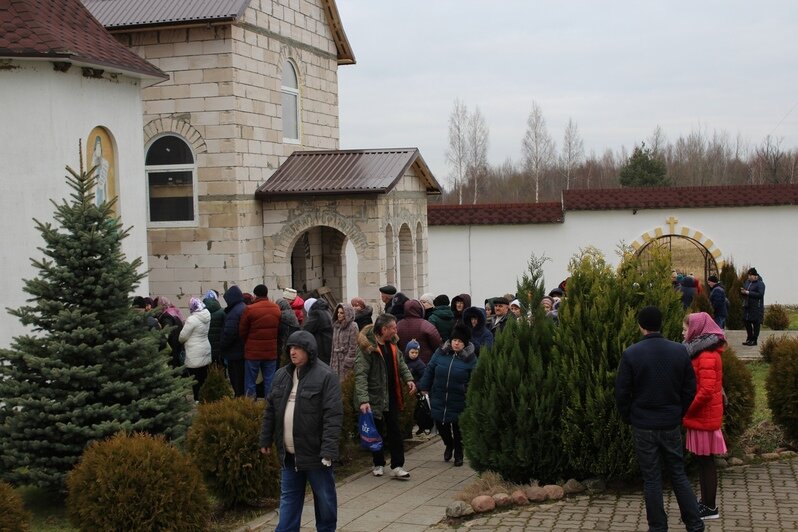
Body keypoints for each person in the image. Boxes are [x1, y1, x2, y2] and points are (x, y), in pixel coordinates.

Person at [615, 306, 704, 532]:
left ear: (641, 326)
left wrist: (630, 416)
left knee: (652, 478)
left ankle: (658, 527)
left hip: (644, 424)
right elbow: (689, 388)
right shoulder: (678, 351)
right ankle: (694, 524)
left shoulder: (631, 353)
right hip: (670, 422)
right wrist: (678, 412)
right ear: (661, 324)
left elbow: (622, 392)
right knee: (677, 473)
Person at [259, 331, 342, 532]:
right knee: (288, 499)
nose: (292, 352)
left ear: (309, 351)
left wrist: (328, 450)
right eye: (290, 348)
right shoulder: (282, 375)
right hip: (289, 456)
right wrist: (265, 439)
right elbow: (271, 410)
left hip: (316, 455)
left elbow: (333, 415)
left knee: (324, 500)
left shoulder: (325, 376)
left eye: (297, 348)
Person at [354, 315, 416, 480]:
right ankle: (378, 463)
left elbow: (401, 363)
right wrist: (363, 400)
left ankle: (397, 466)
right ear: (384, 330)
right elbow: (361, 374)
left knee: (395, 430)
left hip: (392, 394)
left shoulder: (393, 344)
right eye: (393, 328)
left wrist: (408, 379)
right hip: (375, 396)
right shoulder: (367, 347)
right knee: (377, 431)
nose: (396, 330)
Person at [682, 312, 728, 521]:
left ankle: (710, 507)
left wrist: (688, 408)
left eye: (685, 329)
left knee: (706, 462)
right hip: (702, 415)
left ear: (696, 330)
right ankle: (706, 503)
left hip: (703, 415)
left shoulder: (707, 355)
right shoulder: (700, 352)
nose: (683, 333)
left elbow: (707, 389)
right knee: (703, 462)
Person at [419, 323, 477, 467]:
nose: (456, 343)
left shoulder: (470, 358)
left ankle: (459, 453)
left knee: (458, 427)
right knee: (441, 423)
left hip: (459, 397)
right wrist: (424, 387)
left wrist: (469, 392)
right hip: (439, 394)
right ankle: (448, 444)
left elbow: (475, 378)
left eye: (460, 341)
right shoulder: (440, 352)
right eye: (454, 340)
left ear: (465, 343)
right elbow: (430, 369)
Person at [239, 284, 282, 398]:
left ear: (255, 295)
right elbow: (278, 329)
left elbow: (242, 331)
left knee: (250, 381)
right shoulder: (276, 308)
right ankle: (270, 405)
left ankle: (250, 406)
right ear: (267, 293)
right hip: (270, 351)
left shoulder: (250, 309)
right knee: (269, 380)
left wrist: (248, 342)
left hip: (253, 351)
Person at [178, 297, 212, 401]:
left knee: (195, 378)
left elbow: (182, 337)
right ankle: (206, 397)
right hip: (205, 347)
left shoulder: (192, 319)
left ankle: (198, 398)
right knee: (204, 376)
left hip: (194, 352)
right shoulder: (207, 315)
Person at [220, 285, 247, 397]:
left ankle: (239, 397)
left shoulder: (234, 312)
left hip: (235, 352)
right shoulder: (243, 307)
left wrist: (222, 345)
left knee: (236, 378)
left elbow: (230, 333)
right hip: (242, 350)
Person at [396, 299, 442, 365]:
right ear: (421, 309)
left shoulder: (398, 325)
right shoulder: (426, 325)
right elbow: (438, 344)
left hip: (405, 364)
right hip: (425, 364)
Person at [331, 303, 359, 381]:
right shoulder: (336, 326)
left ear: (347, 314)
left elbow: (354, 346)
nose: (339, 315)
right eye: (338, 312)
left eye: (342, 313)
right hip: (336, 363)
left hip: (346, 364)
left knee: (345, 386)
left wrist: (348, 362)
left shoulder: (353, 326)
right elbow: (333, 346)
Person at [304, 297, 333, 365]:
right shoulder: (326, 310)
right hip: (329, 342)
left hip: (322, 345)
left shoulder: (316, 314)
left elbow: (306, 330)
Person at [741, 267, 766, 346]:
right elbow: (745, 290)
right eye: (748, 275)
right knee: (746, 322)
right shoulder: (747, 282)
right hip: (747, 306)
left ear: (755, 276)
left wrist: (748, 292)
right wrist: (743, 292)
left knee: (756, 323)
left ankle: (754, 340)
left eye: (750, 275)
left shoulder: (760, 284)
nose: (749, 277)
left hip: (756, 307)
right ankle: (749, 338)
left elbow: (760, 294)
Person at [203, 290, 225, 365]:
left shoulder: (200, 313)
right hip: (219, 345)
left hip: (206, 345)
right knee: (220, 365)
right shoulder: (222, 312)